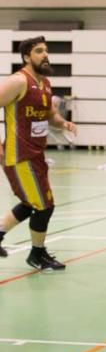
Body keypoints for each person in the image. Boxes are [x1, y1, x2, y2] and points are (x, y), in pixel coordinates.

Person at [0, 37, 77, 268]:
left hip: (36, 154)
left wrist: (63, 123)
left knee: (29, 202)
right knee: (45, 205)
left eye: (46, 51)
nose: (45, 55)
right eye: (39, 51)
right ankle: (37, 253)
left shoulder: (44, 83)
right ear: (26, 57)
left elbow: (50, 115)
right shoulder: (18, 81)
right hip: (19, 155)